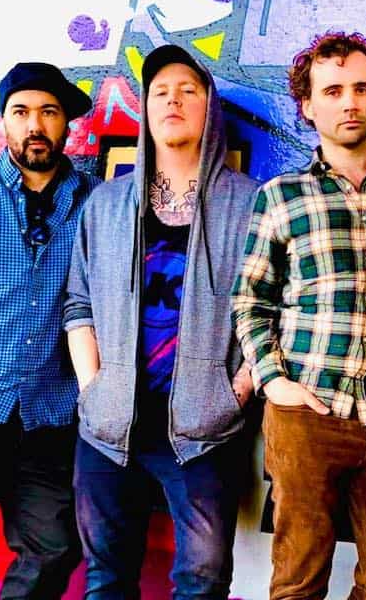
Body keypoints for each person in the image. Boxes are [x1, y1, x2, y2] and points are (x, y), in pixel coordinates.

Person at [232, 31, 366, 600]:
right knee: (297, 577)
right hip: (307, 414)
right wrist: (275, 383)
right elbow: (251, 299)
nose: (349, 102)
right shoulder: (281, 195)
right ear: (307, 106)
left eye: (361, 88)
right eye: (333, 90)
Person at [63, 44, 258, 599]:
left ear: (209, 108)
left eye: (188, 91)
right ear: (145, 109)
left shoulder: (251, 203)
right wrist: (94, 387)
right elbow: (79, 303)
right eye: (160, 92)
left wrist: (235, 392)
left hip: (204, 433)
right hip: (108, 430)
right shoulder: (106, 204)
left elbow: (272, 307)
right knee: (105, 580)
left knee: (201, 582)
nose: (173, 101)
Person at [0, 62, 98, 599]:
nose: (34, 125)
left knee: (53, 548)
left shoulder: (99, 201)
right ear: (3, 120)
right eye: (21, 111)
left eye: (48, 112)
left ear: (66, 123)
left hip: (52, 411)